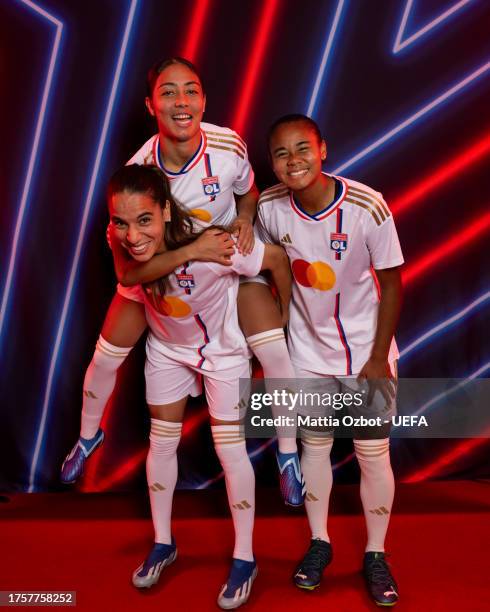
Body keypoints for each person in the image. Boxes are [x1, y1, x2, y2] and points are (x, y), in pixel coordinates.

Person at [61, 57, 303, 505]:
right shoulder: (139, 174)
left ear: (204, 99)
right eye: (168, 92)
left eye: (190, 90)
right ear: (150, 105)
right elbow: (128, 271)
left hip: (224, 260)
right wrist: (188, 252)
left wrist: (246, 220)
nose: (181, 101)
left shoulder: (227, 145)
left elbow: (247, 191)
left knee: (274, 350)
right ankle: (87, 436)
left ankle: (288, 454)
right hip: (163, 271)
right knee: (107, 355)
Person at [107, 164, 292, 608]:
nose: (131, 235)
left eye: (143, 221)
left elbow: (276, 259)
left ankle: (245, 557)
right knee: (161, 443)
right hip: (170, 348)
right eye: (121, 223)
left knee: (229, 450)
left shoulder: (218, 239)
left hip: (223, 350)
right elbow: (131, 276)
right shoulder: (125, 236)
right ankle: (163, 543)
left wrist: (285, 315)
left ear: (165, 212)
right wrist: (188, 253)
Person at [256, 114, 404, 606]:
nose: (292, 160)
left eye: (302, 148)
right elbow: (263, 270)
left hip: (366, 353)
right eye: (280, 153)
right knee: (313, 448)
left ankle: (376, 554)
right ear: (272, 164)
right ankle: (320, 544)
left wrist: (379, 356)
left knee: (371, 452)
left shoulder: (368, 206)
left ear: (323, 150)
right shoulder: (270, 208)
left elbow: (393, 283)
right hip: (306, 352)